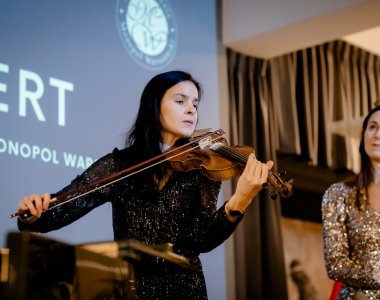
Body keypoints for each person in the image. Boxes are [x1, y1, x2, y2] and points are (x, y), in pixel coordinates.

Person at [15, 70, 273, 299]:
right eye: (180, 101)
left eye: (195, 103)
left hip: (186, 290)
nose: (192, 110)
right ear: (154, 106)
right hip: (132, 289)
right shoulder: (120, 164)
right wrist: (33, 213)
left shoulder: (202, 167)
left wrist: (241, 198)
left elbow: (200, 240)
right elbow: (61, 209)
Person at [322, 105, 380, 299]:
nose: (377, 134)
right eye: (373, 127)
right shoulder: (338, 193)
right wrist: (376, 277)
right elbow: (336, 264)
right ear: (364, 135)